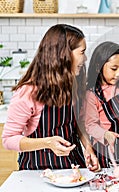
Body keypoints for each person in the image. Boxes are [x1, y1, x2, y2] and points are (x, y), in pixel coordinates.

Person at [1, 24, 99, 171]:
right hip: (37, 172)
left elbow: (78, 123)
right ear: (64, 54)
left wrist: (88, 147)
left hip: (74, 169)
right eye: (82, 52)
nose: (85, 58)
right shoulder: (28, 92)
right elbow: (8, 140)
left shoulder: (74, 84)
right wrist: (47, 143)